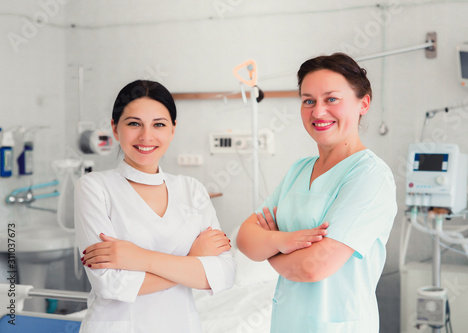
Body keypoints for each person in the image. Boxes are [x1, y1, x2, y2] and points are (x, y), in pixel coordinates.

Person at [237, 53, 397, 332]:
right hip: (287, 322)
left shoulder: (370, 176)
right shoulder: (299, 170)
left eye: (331, 99)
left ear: (364, 103)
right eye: (308, 101)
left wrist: (271, 249)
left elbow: (313, 267)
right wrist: (283, 240)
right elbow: (245, 239)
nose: (318, 112)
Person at [76, 80, 235, 333]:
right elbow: (110, 284)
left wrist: (140, 258)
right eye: (134, 124)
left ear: (173, 129)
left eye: (158, 124)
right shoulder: (95, 187)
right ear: (115, 129)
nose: (146, 136)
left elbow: (224, 274)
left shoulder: (192, 190)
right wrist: (193, 261)